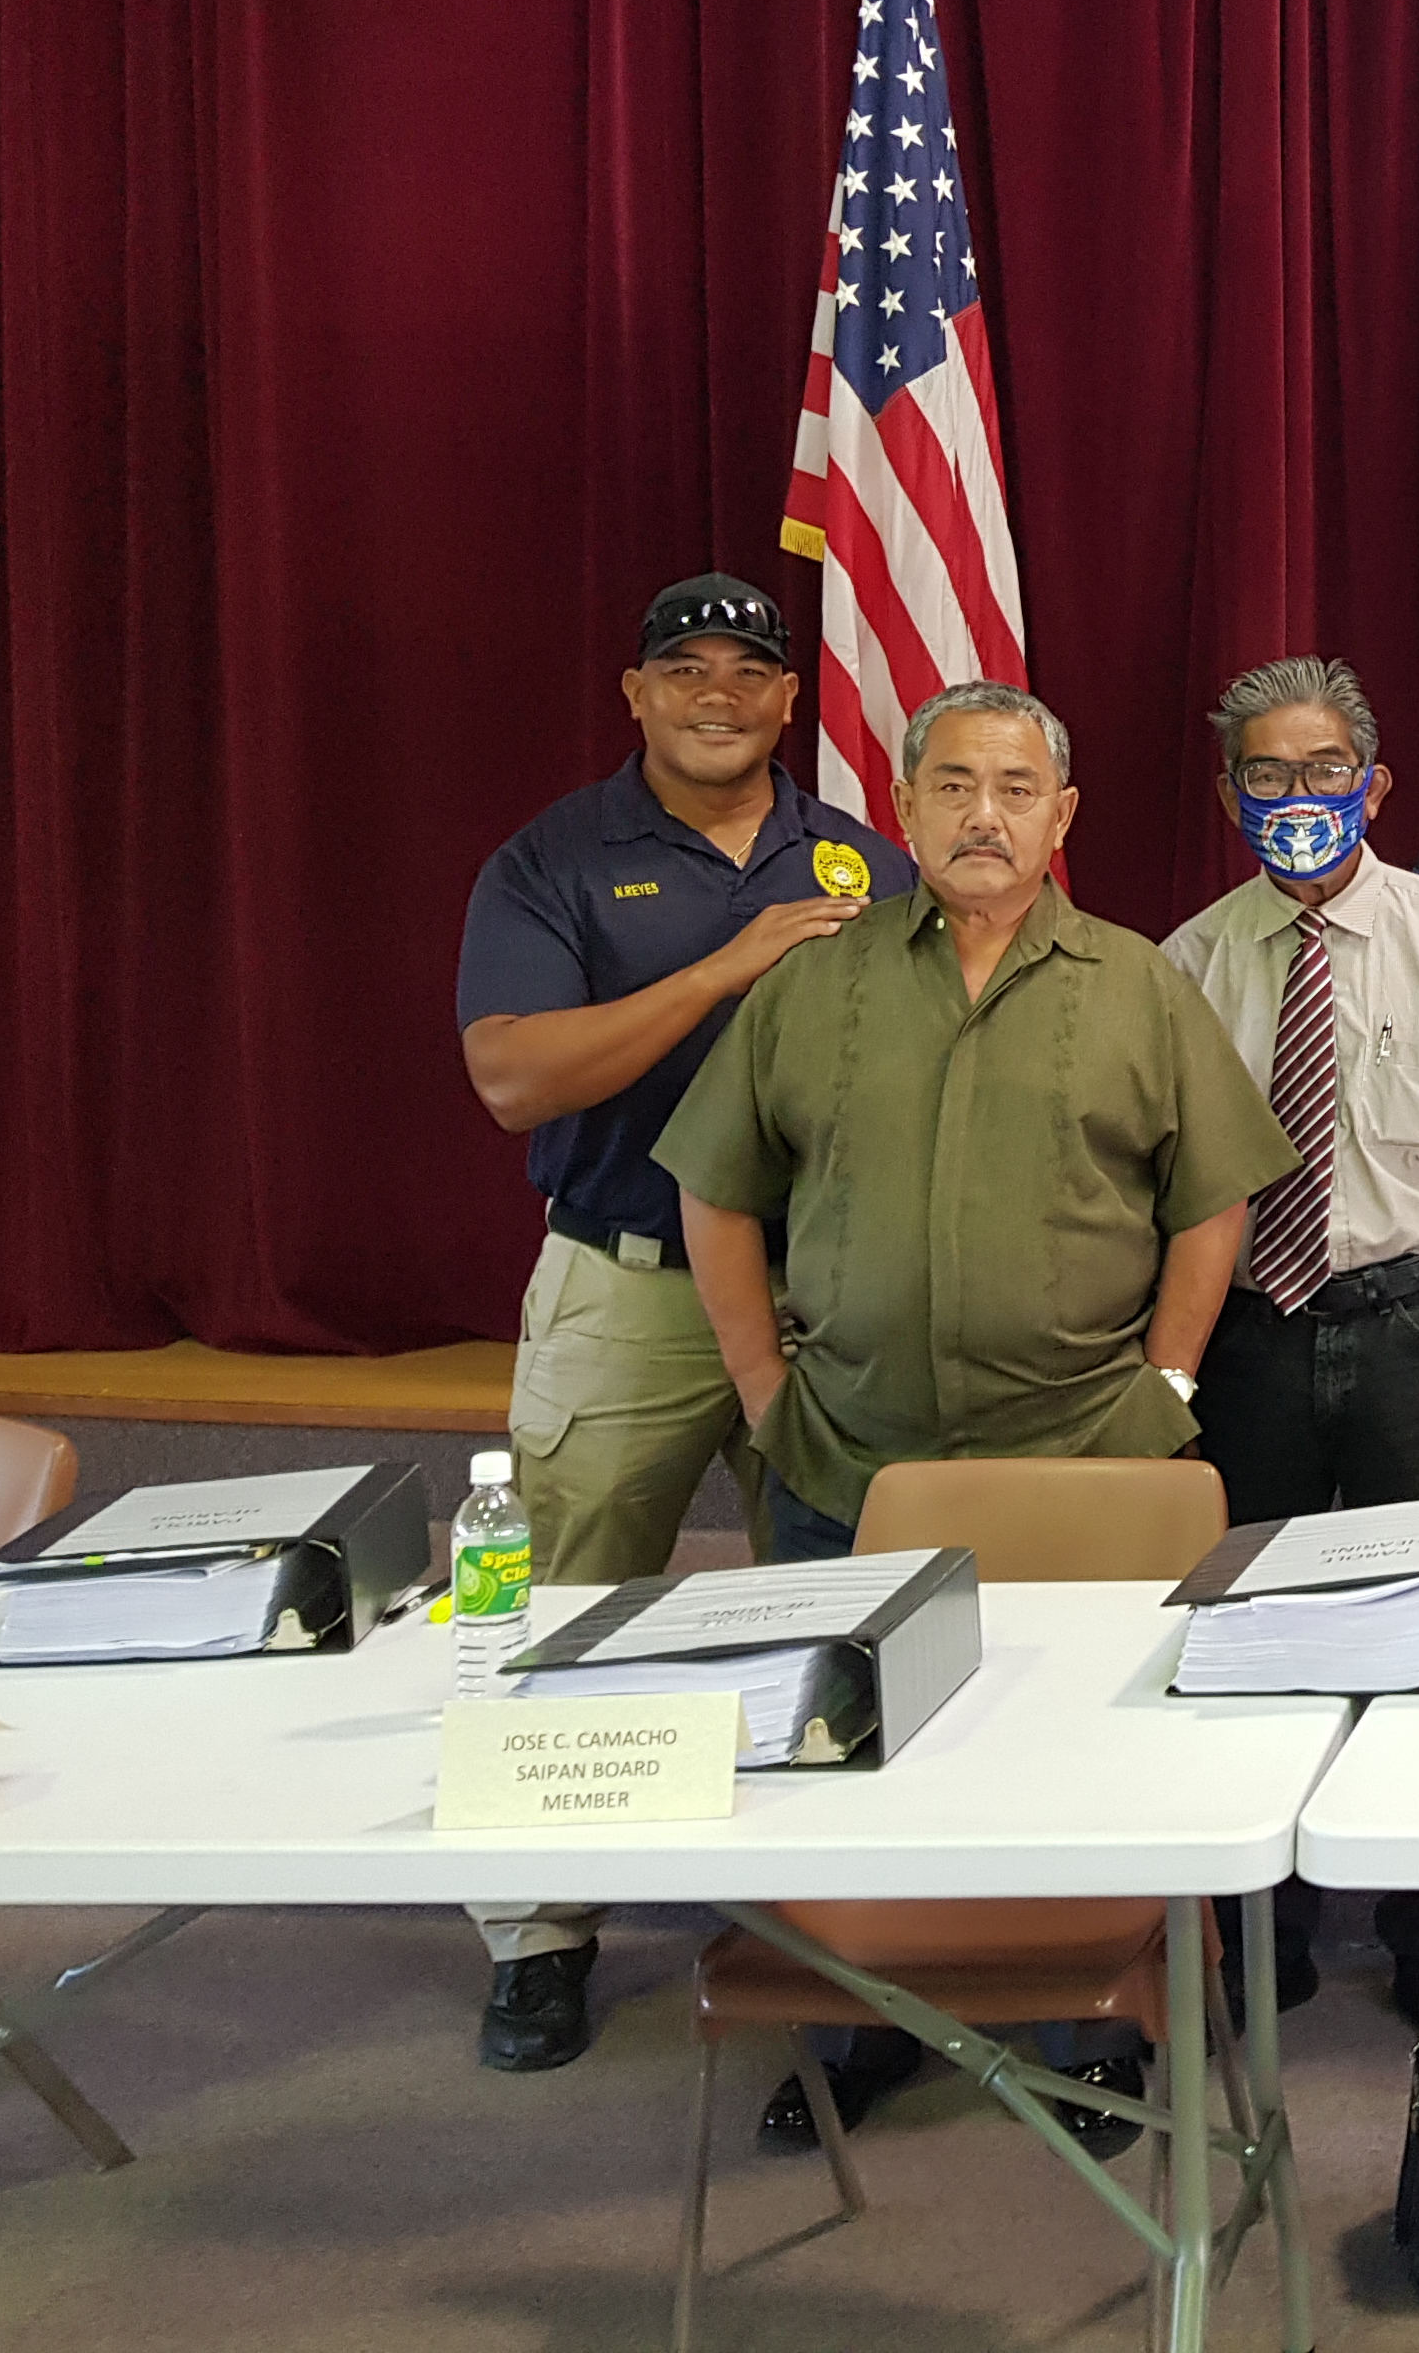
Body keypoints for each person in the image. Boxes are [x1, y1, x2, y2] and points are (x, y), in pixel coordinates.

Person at [660, 678, 1291, 2155]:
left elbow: (1212, 1201)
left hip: (1084, 1460)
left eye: (1016, 790)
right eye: (953, 786)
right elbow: (716, 1188)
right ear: (902, 805)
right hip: (849, 1455)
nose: (983, 816)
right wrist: (760, 1389)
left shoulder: (1139, 983)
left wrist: (1170, 1382)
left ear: (1063, 816)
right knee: (845, 1751)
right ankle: (857, 2027)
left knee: (1086, 1752)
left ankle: (1098, 2033)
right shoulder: (813, 985)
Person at [448, 572, 910, 2074]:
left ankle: (833, 1913)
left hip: (822, 1295)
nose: (720, 694)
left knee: (835, 1603)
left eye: (749, 672)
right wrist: (727, 965)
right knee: (564, 1600)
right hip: (629, 1284)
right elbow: (514, 1078)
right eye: (687, 668)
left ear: (790, 700)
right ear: (635, 693)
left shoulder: (861, 861)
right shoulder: (555, 860)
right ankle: (537, 1932)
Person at [1163, 655, 1419, 2041]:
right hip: (1254, 1342)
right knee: (1243, 1633)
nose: (1299, 796)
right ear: (1231, 797)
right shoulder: (1190, 961)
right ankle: (1260, 1929)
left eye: (1325, 769)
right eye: (1267, 775)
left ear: (1374, 785)